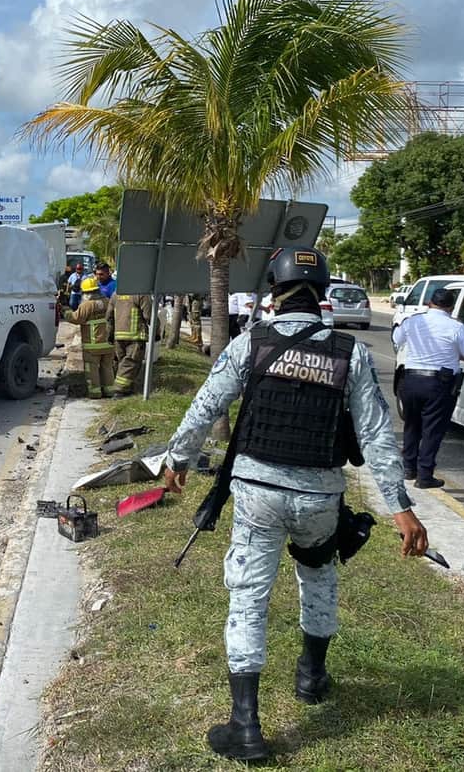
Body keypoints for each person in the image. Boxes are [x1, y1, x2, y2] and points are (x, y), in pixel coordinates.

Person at [160, 247, 428, 761]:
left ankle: (245, 726)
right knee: (319, 578)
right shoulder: (349, 354)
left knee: (249, 596)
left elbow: (207, 404)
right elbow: (375, 435)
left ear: (274, 292)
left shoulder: (250, 344)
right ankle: (311, 677)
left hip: (258, 495)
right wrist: (401, 508)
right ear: (323, 293)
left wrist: (178, 458)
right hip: (319, 498)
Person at [392, 287, 464, 489]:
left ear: (430, 303)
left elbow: (397, 340)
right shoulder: (456, 327)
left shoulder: (412, 321)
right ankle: (425, 475)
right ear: (451, 306)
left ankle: (408, 468)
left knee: (412, 424)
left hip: (411, 380)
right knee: (432, 430)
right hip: (439, 384)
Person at [61, 277, 114, 398]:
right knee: (107, 367)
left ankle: (95, 393)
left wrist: (66, 310)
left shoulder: (87, 305)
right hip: (109, 343)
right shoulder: (107, 301)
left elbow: (75, 318)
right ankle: (110, 391)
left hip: (93, 345)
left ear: (86, 293)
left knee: (92, 368)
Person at [108, 291, 153, 396]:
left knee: (122, 362)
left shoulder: (115, 294)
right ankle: (119, 389)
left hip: (118, 336)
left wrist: (109, 334)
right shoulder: (141, 294)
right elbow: (149, 315)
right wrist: (157, 332)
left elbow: (109, 317)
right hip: (136, 336)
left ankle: (127, 389)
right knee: (131, 363)